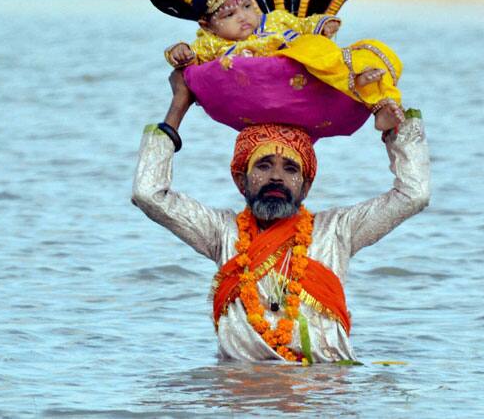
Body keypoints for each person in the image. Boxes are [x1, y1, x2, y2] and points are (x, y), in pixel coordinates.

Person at [131, 70, 430, 363]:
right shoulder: (222, 232)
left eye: (290, 169)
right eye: (263, 166)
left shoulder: (337, 230)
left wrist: (395, 131)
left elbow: (413, 194)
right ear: (241, 180)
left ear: (307, 184)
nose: (276, 177)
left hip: (321, 393)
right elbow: (148, 193)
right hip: (241, 394)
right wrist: (179, 106)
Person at [164, 0, 407, 131]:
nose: (243, 17)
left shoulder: (275, 20)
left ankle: (379, 105)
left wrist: (322, 25)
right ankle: (354, 79)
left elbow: (303, 25)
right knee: (309, 51)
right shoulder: (212, 43)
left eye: (247, 7)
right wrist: (179, 52)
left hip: (312, 71)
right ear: (207, 25)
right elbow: (191, 58)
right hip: (277, 85)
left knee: (368, 52)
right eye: (229, 14)